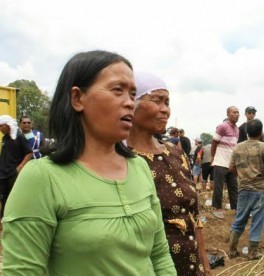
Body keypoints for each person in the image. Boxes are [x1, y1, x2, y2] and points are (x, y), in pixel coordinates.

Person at [1, 50, 176, 275]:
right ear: (77, 99)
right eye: (117, 90)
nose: (130, 103)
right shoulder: (42, 178)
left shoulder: (139, 167)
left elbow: (160, 255)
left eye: (132, 94)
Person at [126, 71, 211, 275]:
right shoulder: (122, 159)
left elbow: (194, 216)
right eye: (157, 100)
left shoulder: (177, 153)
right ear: (131, 104)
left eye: (167, 102)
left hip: (191, 266)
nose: (165, 110)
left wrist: (205, 265)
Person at [228, 119, 264, 260]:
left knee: (240, 219)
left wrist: (242, 176)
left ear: (246, 132)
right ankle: (252, 253)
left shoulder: (237, 147)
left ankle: (232, 250)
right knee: (257, 221)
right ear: (261, 132)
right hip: (260, 189)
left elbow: (231, 168)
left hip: (244, 189)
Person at [0, 115, 33, 218]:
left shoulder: (19, 137)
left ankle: (12, 218)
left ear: (7, 125)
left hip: (13, 174)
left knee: (12, 197)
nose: (0, 129)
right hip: (2, 173)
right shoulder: (5, 138)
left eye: (1, 126)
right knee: (2, 197)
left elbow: (29, 153)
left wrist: (20, 167)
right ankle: (3, 218)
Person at [210, 106, 240, 219]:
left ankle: (235, 208)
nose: (236, 114)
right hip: (220, 161)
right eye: (234, 112)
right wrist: (213, 157)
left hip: (231, 163)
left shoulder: (237, 129)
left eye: (238, 113)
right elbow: (214, 143)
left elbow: (234, 147)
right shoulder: (222, 127)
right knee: (219, 186)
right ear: (228, 114)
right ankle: (217, 208)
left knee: (233, 186)